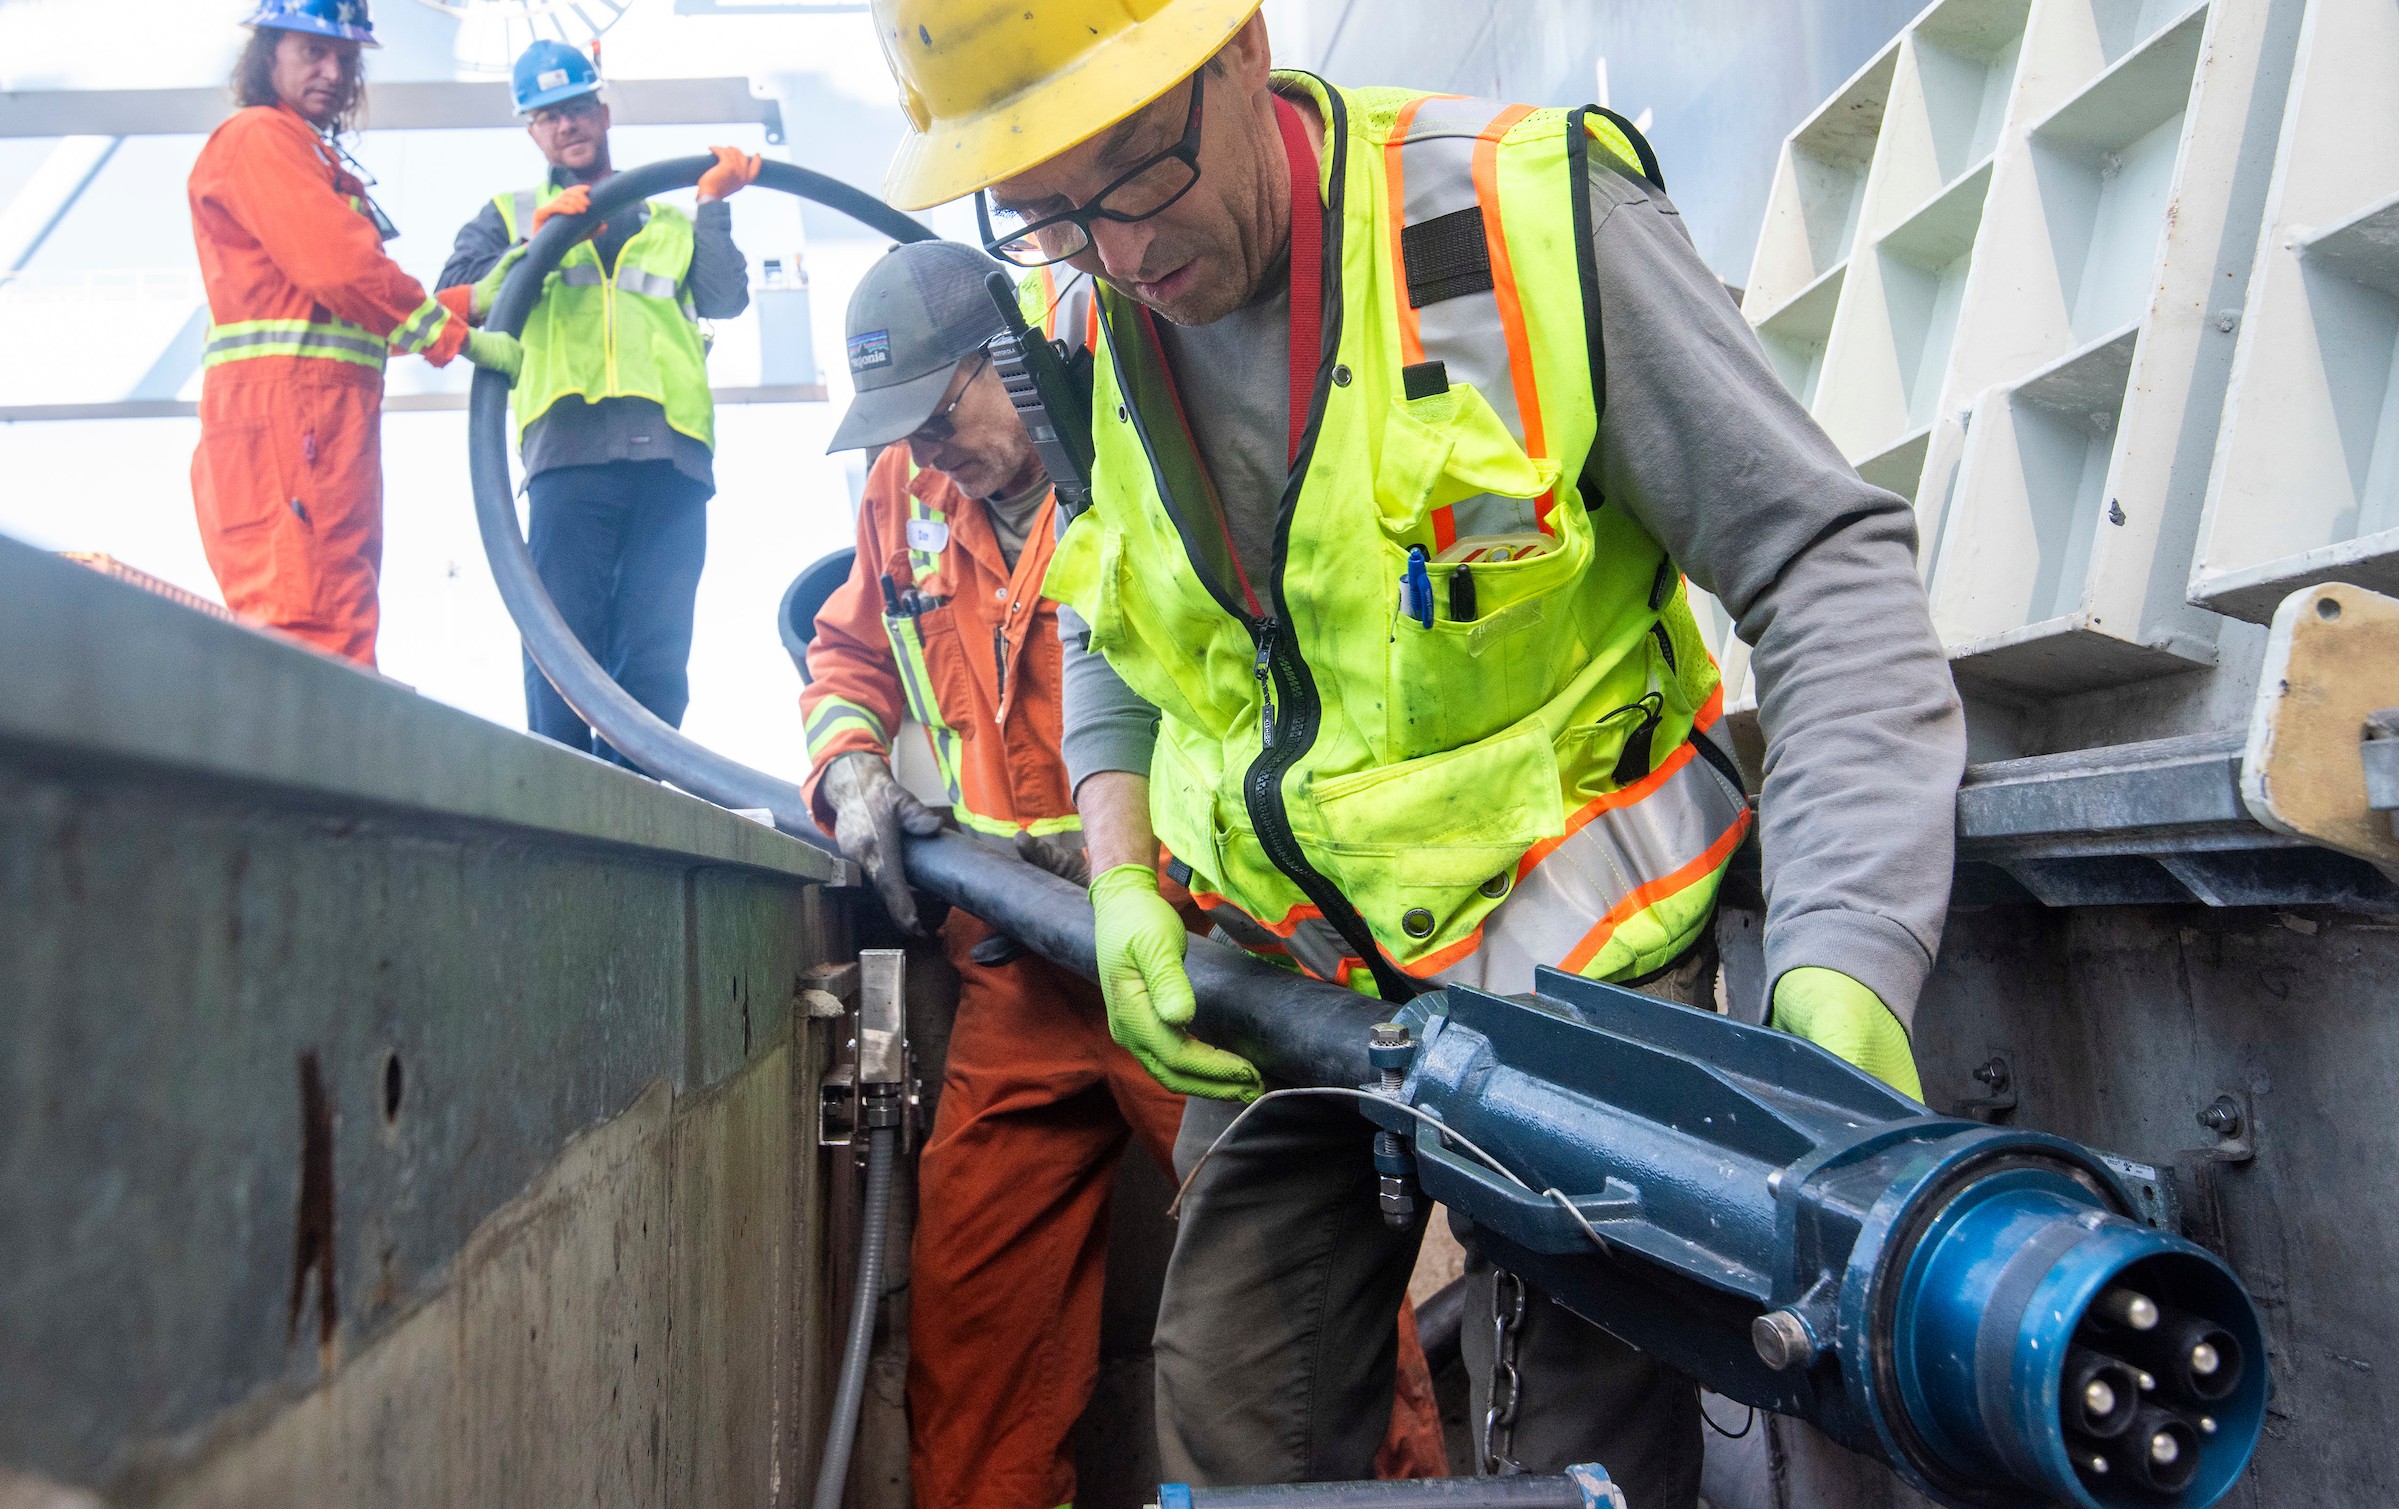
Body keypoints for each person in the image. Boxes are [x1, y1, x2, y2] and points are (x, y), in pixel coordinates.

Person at [868, 1, 1970, 1500]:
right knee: (1233, 1406)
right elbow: (1107, 616)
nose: (1115, 253)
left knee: (1585, 1444)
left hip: (1579, 982)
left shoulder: (1525, 219)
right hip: (1291, 981)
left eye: (1129, 173)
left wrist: (1844, 956)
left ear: (1240, 49)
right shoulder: (1082, 332)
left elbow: (1821, 563)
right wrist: (1121, 875)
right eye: (1044, 212)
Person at [801, 240, 1445, 1509]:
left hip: (1199, 955)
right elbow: (846, 659)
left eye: (941, 417)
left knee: (1311, 1303)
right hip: (1014, 972)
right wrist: (850, 768)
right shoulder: (902, 494)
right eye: (905, 433)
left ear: (1009, 362)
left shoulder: (1144, 441)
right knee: (972, 1336)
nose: (927, 453)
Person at [436, 40, 758, 768]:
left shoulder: (670, 222)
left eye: (577, 108)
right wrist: (535, 241)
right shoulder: (508, 215)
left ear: (603, 112)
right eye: (548, 116)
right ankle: (566, 792)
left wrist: (712, 207)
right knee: (561, 643)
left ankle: (638, 795)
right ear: (531, 130)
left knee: (657, 652)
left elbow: (724, 296)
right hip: (568, 452)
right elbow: (454, 302)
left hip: (671, 453)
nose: (566, 125)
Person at [188, 0, 520, 666]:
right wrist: (456, 339)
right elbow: (340, 269)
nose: (334, 72)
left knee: (333, 624)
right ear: (268, 53)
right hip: (291, 427)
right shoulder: (259, 138)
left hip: (315, 424)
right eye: (314, 51)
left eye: (345, 57)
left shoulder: (301, 151)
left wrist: (465, 305)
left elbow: (342, 311)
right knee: (307, 635)